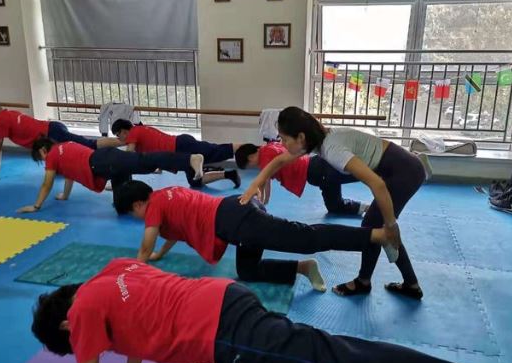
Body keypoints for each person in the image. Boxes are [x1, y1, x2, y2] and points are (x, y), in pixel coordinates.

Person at [31, 257, 512, 363]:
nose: (88, 351)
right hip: (224, 301)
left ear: (66, 328)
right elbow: (135, 327)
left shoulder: (81, 314)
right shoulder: (108, 276)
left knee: (342, 359)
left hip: (226, 333)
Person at [240, 106, 426, 299]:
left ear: (301, 137)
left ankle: (368, 282)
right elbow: (279, 161)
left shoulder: (332, 149)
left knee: (376, 228)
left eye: (285, 139)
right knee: (374, 227)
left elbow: (377, 184)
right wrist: (255, 185)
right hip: (400, 166)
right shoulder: (317, 140)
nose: (282, 144)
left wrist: (391, 225)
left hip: (404, 172)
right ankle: (405, 284)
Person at [113, 180, 397, 290]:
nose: (137, 218)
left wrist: (134, 271)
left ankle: (376, 236)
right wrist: (161, 254)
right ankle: (303, 268)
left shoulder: (153, 207)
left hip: (238, 220)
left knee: (306, 238)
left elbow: (145, 245)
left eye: (132, 213)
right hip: (237, 213)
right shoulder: (166, 195)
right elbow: (174, 231)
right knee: (247, 271)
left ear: (137, 205)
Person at [16, 139, 204, 214]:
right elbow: (69, 175)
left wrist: (36, 206)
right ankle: (147, 203)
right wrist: (65, 195)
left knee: (144, 161)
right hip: (105, 161)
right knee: (121, 204)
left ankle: (189, 159)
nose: (43, 161)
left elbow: (46, 184)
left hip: (104, 163)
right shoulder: (63, 147)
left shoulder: (52, 156)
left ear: (43, 150)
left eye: (40, 158)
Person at [0, 97, 114, 177]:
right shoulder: (8, 114)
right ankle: (119, 143)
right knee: (80, 149)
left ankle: (120, 142)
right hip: (53, 127)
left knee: (90, 145)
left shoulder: (0, 120)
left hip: (52, 134)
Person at [235, 142, 368, 216]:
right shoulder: (269, 147)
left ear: (250, 157)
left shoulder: (264, 157)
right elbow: (264, 180)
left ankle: (377, 174)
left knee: (362, 174)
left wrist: (263, 203)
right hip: (317, 169)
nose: (254, 167)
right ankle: (366, 207)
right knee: (334, 206)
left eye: (250, 165)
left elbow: (265, 180)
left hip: (317, 171)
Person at [109, 119, 241, 188]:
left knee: (218, 151)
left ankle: (248, 147)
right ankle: (229, 174)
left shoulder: (134, 132)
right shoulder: (140, 131)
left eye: (118, 135)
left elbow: (128, 156)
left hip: (180, 146)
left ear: (124, 131)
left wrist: (116, 178)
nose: (119, 139)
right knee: (195, 181)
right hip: (179, 148)